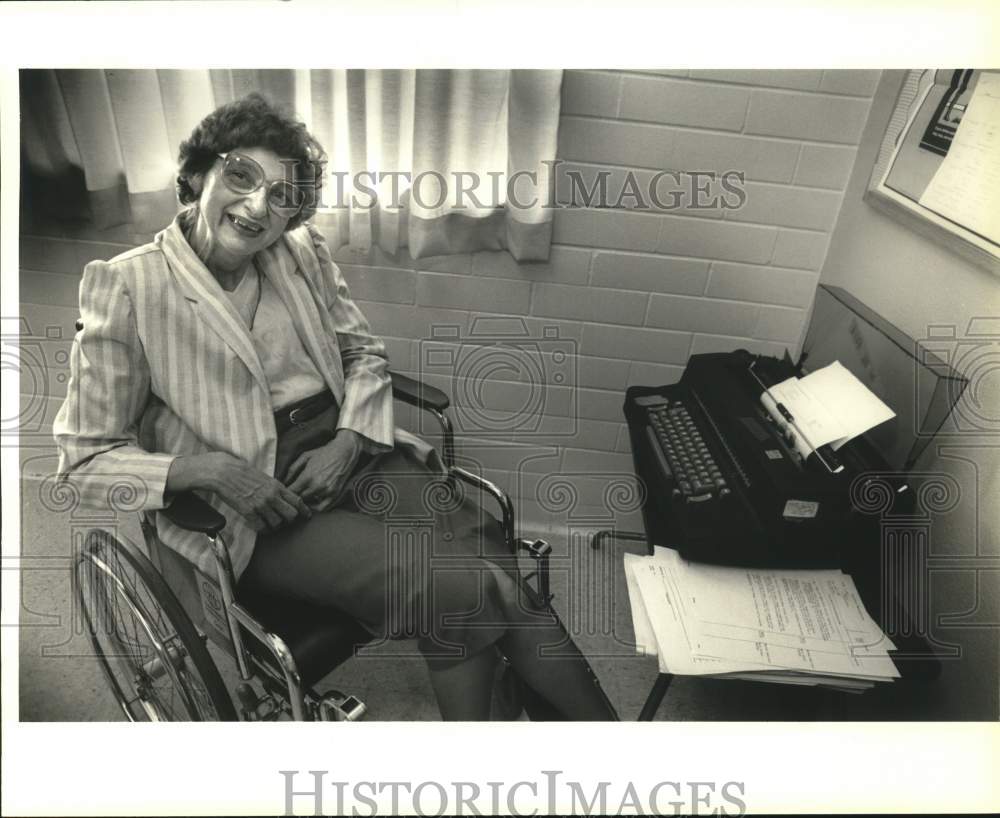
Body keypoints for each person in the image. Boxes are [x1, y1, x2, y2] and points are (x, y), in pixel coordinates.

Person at [54, 93, 617, 721]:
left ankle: (596, 745)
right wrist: (209, 471)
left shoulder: (302, 254)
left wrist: (349, 439)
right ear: (198, 172)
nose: (255, 207)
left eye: (282, 197)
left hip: (347, 450)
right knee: (455, 588)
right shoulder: (127, 284)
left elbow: (364, 356)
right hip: (259, 500)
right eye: (240, 174)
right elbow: (84, 458)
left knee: (491, 552)